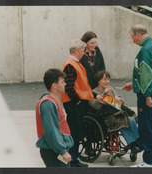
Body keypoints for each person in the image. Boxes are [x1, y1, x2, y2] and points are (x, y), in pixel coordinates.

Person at [122, 24, 152, 167]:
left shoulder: (145, 50)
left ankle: (148, 160)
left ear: (138, 34)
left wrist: (147, 96)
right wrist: (134, 84)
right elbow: (151, 73)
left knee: (146, 126)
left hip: (148, 94)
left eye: (133, 37)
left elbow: (147, 76)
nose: (133, 40)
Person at [60, 39, 94, 167]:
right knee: (74, 132)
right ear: (78, 50)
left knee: (75, 131)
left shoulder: (73, 63)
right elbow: (68, 87)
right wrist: (78, 102)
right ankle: (72, 159)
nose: (84, 53)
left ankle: (73, 158)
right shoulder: (71, 64)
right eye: (83, 50)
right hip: (74, 103)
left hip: (75, 102)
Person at [89, 70, 141, 153]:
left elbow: (120, 100)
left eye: (108, 79)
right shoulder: (94, 92)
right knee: (121, 122)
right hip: (105, 116)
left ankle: (138, 141)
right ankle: (132, 144)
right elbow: (95, 105)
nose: (107, 82)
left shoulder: (111, 89)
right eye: (105, 79)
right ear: (98, 80)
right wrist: (104, 95)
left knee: (130, 120)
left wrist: (119, 99)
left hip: (116, 113)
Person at [35, 68, 74, 167]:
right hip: (54, 152)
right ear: (54, 86)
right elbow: (51, 130)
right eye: (62, 82)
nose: (65, 84)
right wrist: (62, 151)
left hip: (55, 150)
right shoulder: (48, 103)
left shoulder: (51, 101)